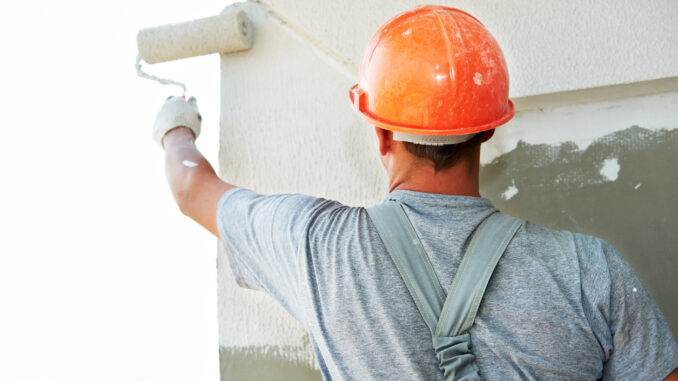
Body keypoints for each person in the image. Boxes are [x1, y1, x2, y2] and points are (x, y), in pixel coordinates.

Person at [152, 5, 678, 381]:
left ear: (381, 133)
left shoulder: (318, 248)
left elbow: (191, 187)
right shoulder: (592, 271)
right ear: (489, 129)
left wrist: (177, 125)